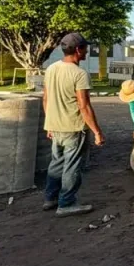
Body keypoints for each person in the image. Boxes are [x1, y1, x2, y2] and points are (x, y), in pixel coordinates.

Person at [42, 32, 105, 217]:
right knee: (72, 167)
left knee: (56, 164)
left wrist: (50, 124)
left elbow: (45, 99)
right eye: (85, 48)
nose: (87, 51)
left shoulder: (51, 68)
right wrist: (97, 132)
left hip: (56, 127)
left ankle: (50, 199)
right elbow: (84, 106)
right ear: (78, 50)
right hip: (74, 128)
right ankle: (66, 203)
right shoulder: (79, 74)